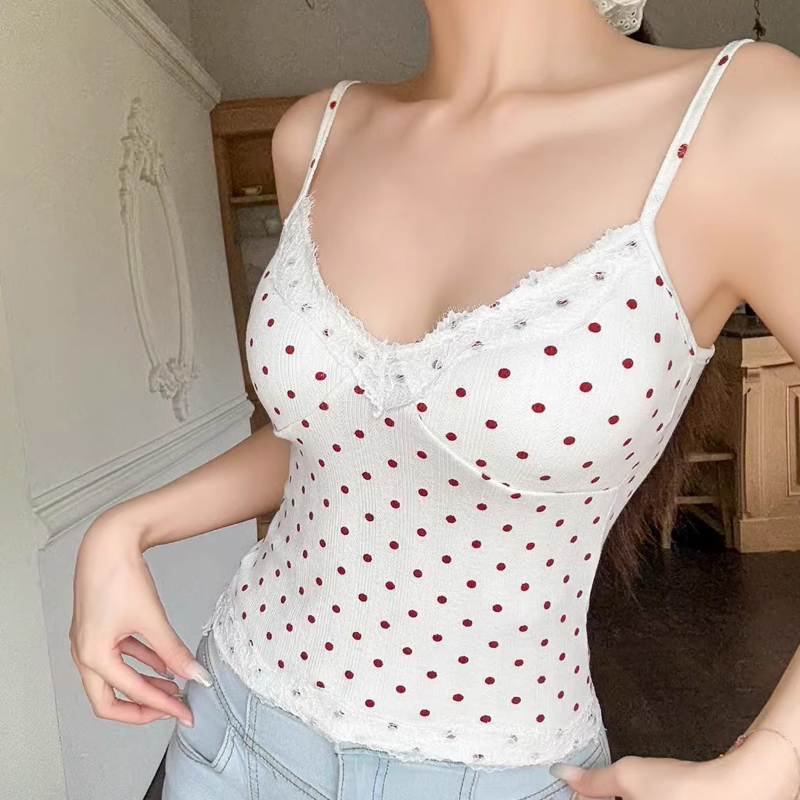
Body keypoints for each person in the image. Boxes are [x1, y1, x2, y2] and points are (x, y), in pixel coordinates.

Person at [70, 0, 800, 798]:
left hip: (500, 773)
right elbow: (340, 443)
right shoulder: (315, 135)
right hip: (232, 729)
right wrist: (127, 528)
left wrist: (769, 763)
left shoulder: (741, 118)